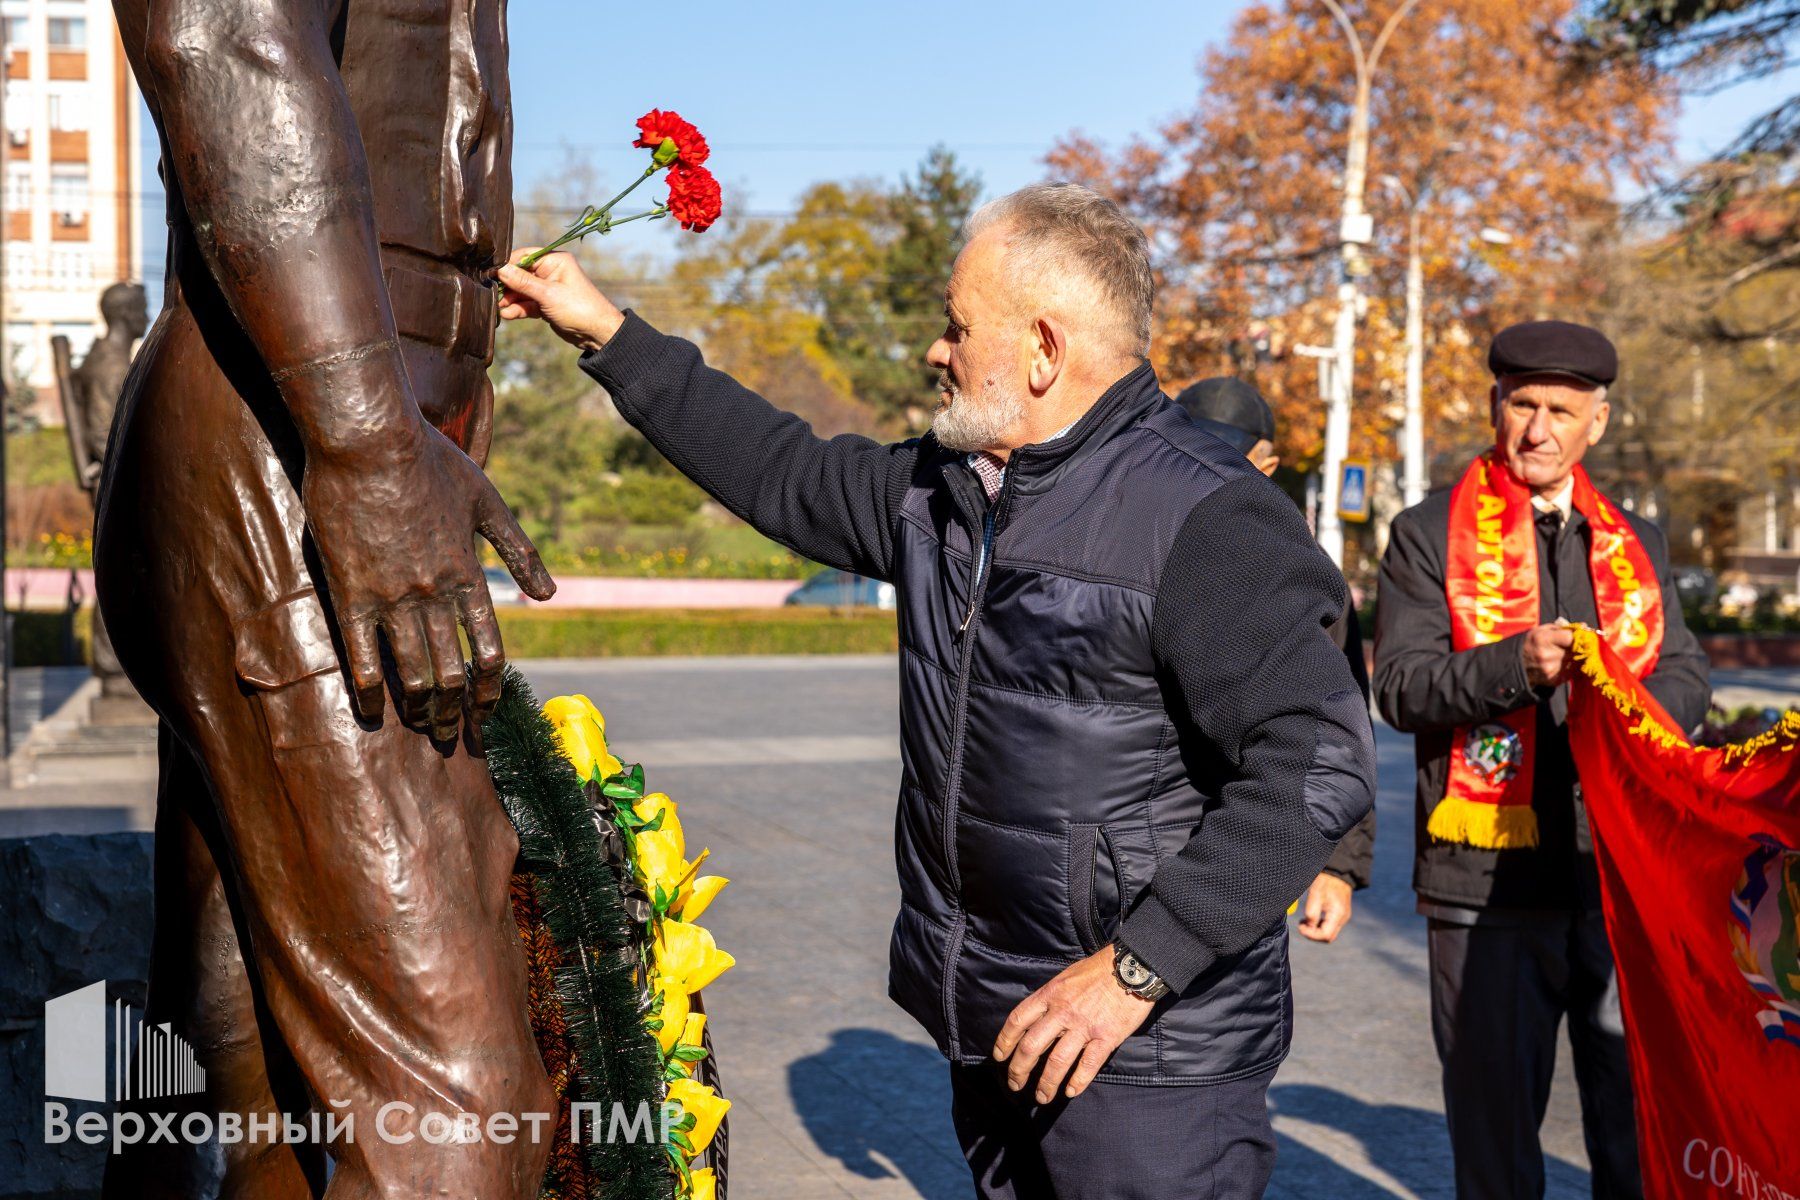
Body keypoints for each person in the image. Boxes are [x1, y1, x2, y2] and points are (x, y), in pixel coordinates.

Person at [499, 182, 1377, 1199]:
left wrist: (1135, 968)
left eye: (959, 327)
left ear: (1045, 349)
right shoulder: (945, 488)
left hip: (1147, 1060)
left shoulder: (1207, 516)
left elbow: (1318, 764)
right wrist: (606, 329)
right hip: (997, 1027)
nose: (937, 351)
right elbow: (779, 470)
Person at [96, 4, 555, 1197]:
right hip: (294, 434)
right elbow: (224, 36)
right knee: (453, 1114)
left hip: (331, 410)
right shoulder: (344, 445)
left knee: (226, 1085)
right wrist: (367, 448)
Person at [1373, 321, 1711, 1200]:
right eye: (1522, 404)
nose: (1538, 428)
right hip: (1484, 885)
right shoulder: (1424, 533)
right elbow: (1401, 687)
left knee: (1634, 1132)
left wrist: (1628, 707)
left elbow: (1684, 670)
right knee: (1497, 1148)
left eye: (1562, 409)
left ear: (1597, 421)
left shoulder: (1636, 539)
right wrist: (1512, 665)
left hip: (1618, 880)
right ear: (1495, 405)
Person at [1175, 377, 1374, 943]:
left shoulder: (1307, 569)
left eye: (1227, 457)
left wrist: (1339, 867)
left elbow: (1346, 721)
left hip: (1244, 849)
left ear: (1267, 464)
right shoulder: (1130, 540)